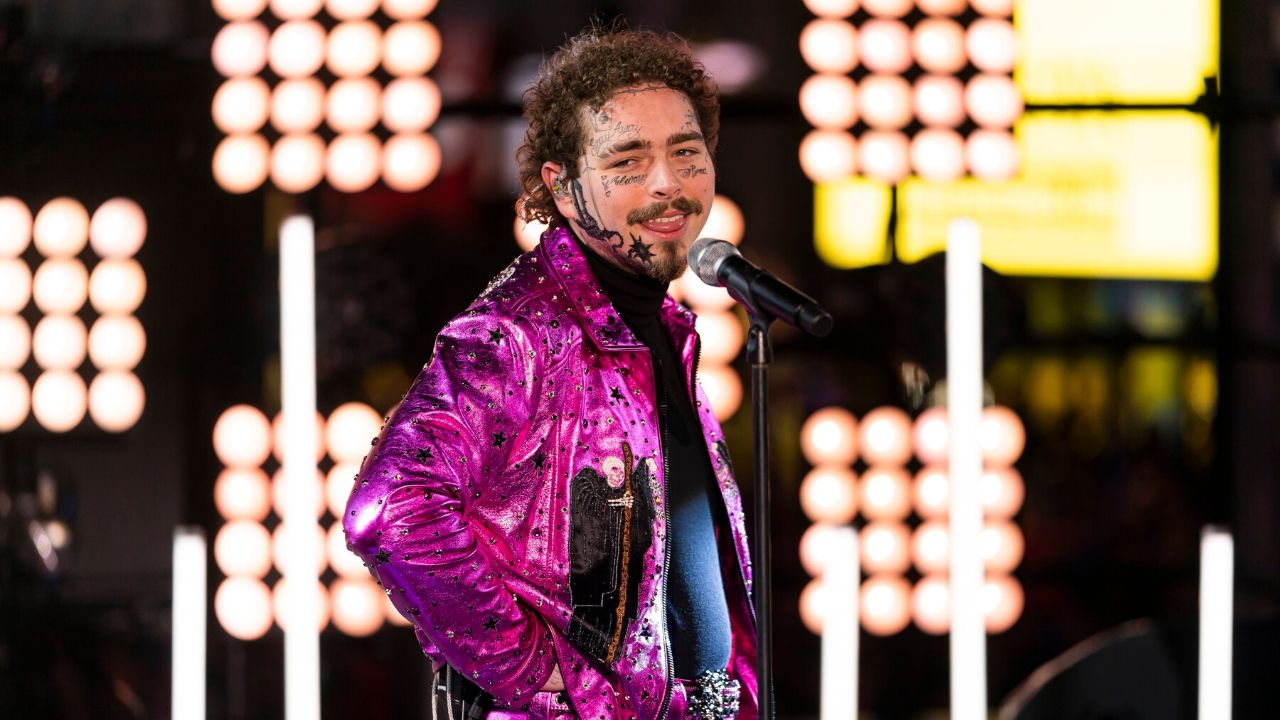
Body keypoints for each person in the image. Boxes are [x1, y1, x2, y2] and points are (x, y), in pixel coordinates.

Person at [344, 27, 757, 720]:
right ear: (564, 189)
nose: (668, 183)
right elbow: (390, 509)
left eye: (687, 153)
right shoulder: (522, 334)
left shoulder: (666, 332)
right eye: (628, 160)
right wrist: (536, 675)